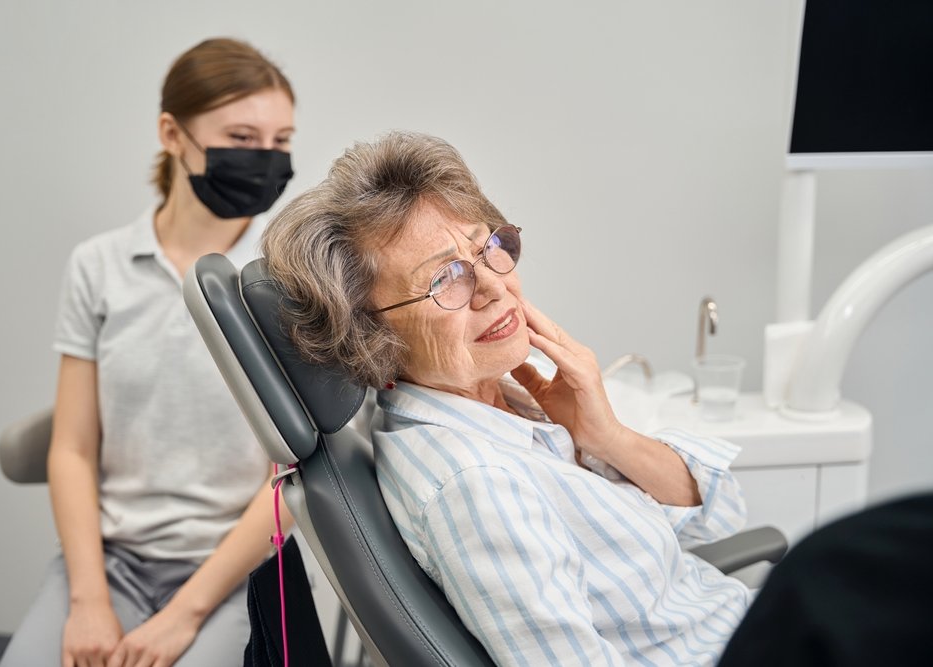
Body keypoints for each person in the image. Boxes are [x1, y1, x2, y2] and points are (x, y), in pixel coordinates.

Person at [260, 131, 753, 666]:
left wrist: (605, 435)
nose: (494, 286)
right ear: (370, 335)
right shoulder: (476, 485)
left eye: (488, 248)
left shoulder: (512, 394)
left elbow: (718, 515)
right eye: (446, 278)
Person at [1, 38, 297, 667]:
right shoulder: (99, 266)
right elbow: (73, 446)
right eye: (242, 138)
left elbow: (292, 477)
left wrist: (185, 615)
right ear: (171, 133)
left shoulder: (291, 281)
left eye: (280, 142)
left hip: (233, 570)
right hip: (111, 567)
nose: (264, 159)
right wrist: (88, 601)